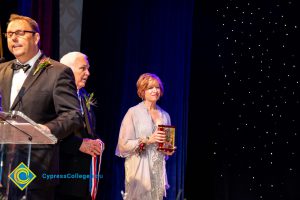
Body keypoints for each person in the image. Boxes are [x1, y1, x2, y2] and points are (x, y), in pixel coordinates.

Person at [0, 14, 83, 200]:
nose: (13, 38)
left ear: (36, 37)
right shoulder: (1, 70)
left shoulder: (57, 72)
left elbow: (72, 115)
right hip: (3, 166)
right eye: (9, 34)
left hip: (36, 167)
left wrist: (45, 130)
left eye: (20, 33)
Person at [115, 73, 175, 200]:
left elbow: (166, 145)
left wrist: (168, 150)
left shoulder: (165, 115)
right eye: (150, 88)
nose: (155, 90)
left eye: (157, 87)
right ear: (143, 91)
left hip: (157, 168)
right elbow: (123, 145)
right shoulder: (133, 112)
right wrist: (148, 140)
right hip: (139, 167)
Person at [57, 52, 104, 200]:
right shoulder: (55, 95)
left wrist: (97, 142)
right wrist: (79, 144)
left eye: (88, 69)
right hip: (62, 175)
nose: (88, 73)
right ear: (66, 70)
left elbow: (88, 131)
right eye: (82, 68)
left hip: (82, 179)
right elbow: (50, 131)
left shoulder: (83, 95)